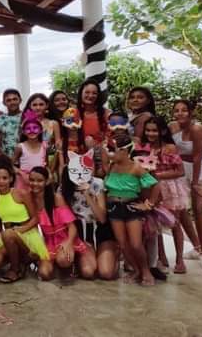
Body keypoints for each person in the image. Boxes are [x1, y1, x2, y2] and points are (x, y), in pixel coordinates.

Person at [140, 116, 192, 274]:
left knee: (174, 223)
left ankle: (180, 260)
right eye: (148, 130)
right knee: (155, 223)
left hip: (170, 188)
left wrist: (158, 175)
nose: (150, 133)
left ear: (162, 131)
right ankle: (161, 257)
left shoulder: (170, 148)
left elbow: (180, 171)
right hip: (151, 188)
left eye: (154, 130)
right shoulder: (144, 148)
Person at [106, 133, 159, 286]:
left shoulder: (136, 167)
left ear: (124, 151)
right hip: (114, 208)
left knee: (136, 244)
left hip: (131, 207)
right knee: (122, 244)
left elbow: (155, 185)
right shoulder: (112, 166)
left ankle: (146, 271)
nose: (111, 153)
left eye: (114, 150)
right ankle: (136, 270)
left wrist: (149, 204)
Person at [0, 157, 50, 282]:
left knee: (8, 234)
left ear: (11, 179)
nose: (1, 181)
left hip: (28, 234)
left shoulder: (21, 193)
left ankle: (15, 270)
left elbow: (35, 218)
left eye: (4, 178)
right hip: (9, 236)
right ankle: (21, 260)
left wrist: (21, 229)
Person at [61, 150, 119, 280]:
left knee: (106, 273)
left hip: (100, 229)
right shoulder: (64, 186)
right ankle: (81, 260)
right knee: (88, 272)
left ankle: (115, 253)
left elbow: (102, 218)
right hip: (81, 230)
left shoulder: (98, 183)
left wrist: (88, 194)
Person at [29, 166, 95, 279]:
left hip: (65, 237)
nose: (35, 183)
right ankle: (54, 264)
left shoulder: (56, 198)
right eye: (32, 180)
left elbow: (72, 226)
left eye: (39, 180)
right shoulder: (29, 199)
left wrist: (68, 242)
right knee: (44, 274)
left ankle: (76, 258)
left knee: (65, 261)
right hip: (47, 242)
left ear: (46, 181)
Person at [169, 100, 202, 269]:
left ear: (190, 112)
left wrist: (194, 182)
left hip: (198, 169)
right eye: (176, 110)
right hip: (179, 169)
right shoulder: (172, 127)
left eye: (184, 110)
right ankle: (196, 247)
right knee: (181, 209)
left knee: (199, 208)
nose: (180, 113)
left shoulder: (197, 129)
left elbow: (197, 157)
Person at [24, 93, 61, 175]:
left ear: (47, 105)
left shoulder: (53, 123)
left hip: (50, 163)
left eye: (41, 104)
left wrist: (53, 167)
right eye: (34, 105)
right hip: (30, 162)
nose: (38, 107)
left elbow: (58, 146)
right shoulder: (26, 124)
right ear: (30, 106)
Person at [11, 110, 47, 191]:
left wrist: (49, 173)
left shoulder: (44, 146)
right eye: (28, 129)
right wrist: (21, 173)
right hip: (24, 181)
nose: (32, 131)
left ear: (41, 130)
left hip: (39, 181)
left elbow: (46, 163)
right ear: (23, 132)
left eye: (35, 128)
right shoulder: (20, 147)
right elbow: (10, 165)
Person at [77, 80, 111, 147]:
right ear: (81, 93)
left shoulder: (106, 114)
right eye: (87, 92)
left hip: (101, 151)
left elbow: (111, 137)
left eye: (94, 93)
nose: (90, 96)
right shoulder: (73, 113)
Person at [0, 89, 22, 158]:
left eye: (15, 99)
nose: (12, 102)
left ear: (20, 100)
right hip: (6, 158)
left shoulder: (28, 117)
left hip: (25, 158)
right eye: (8, 100)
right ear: (4, 103)